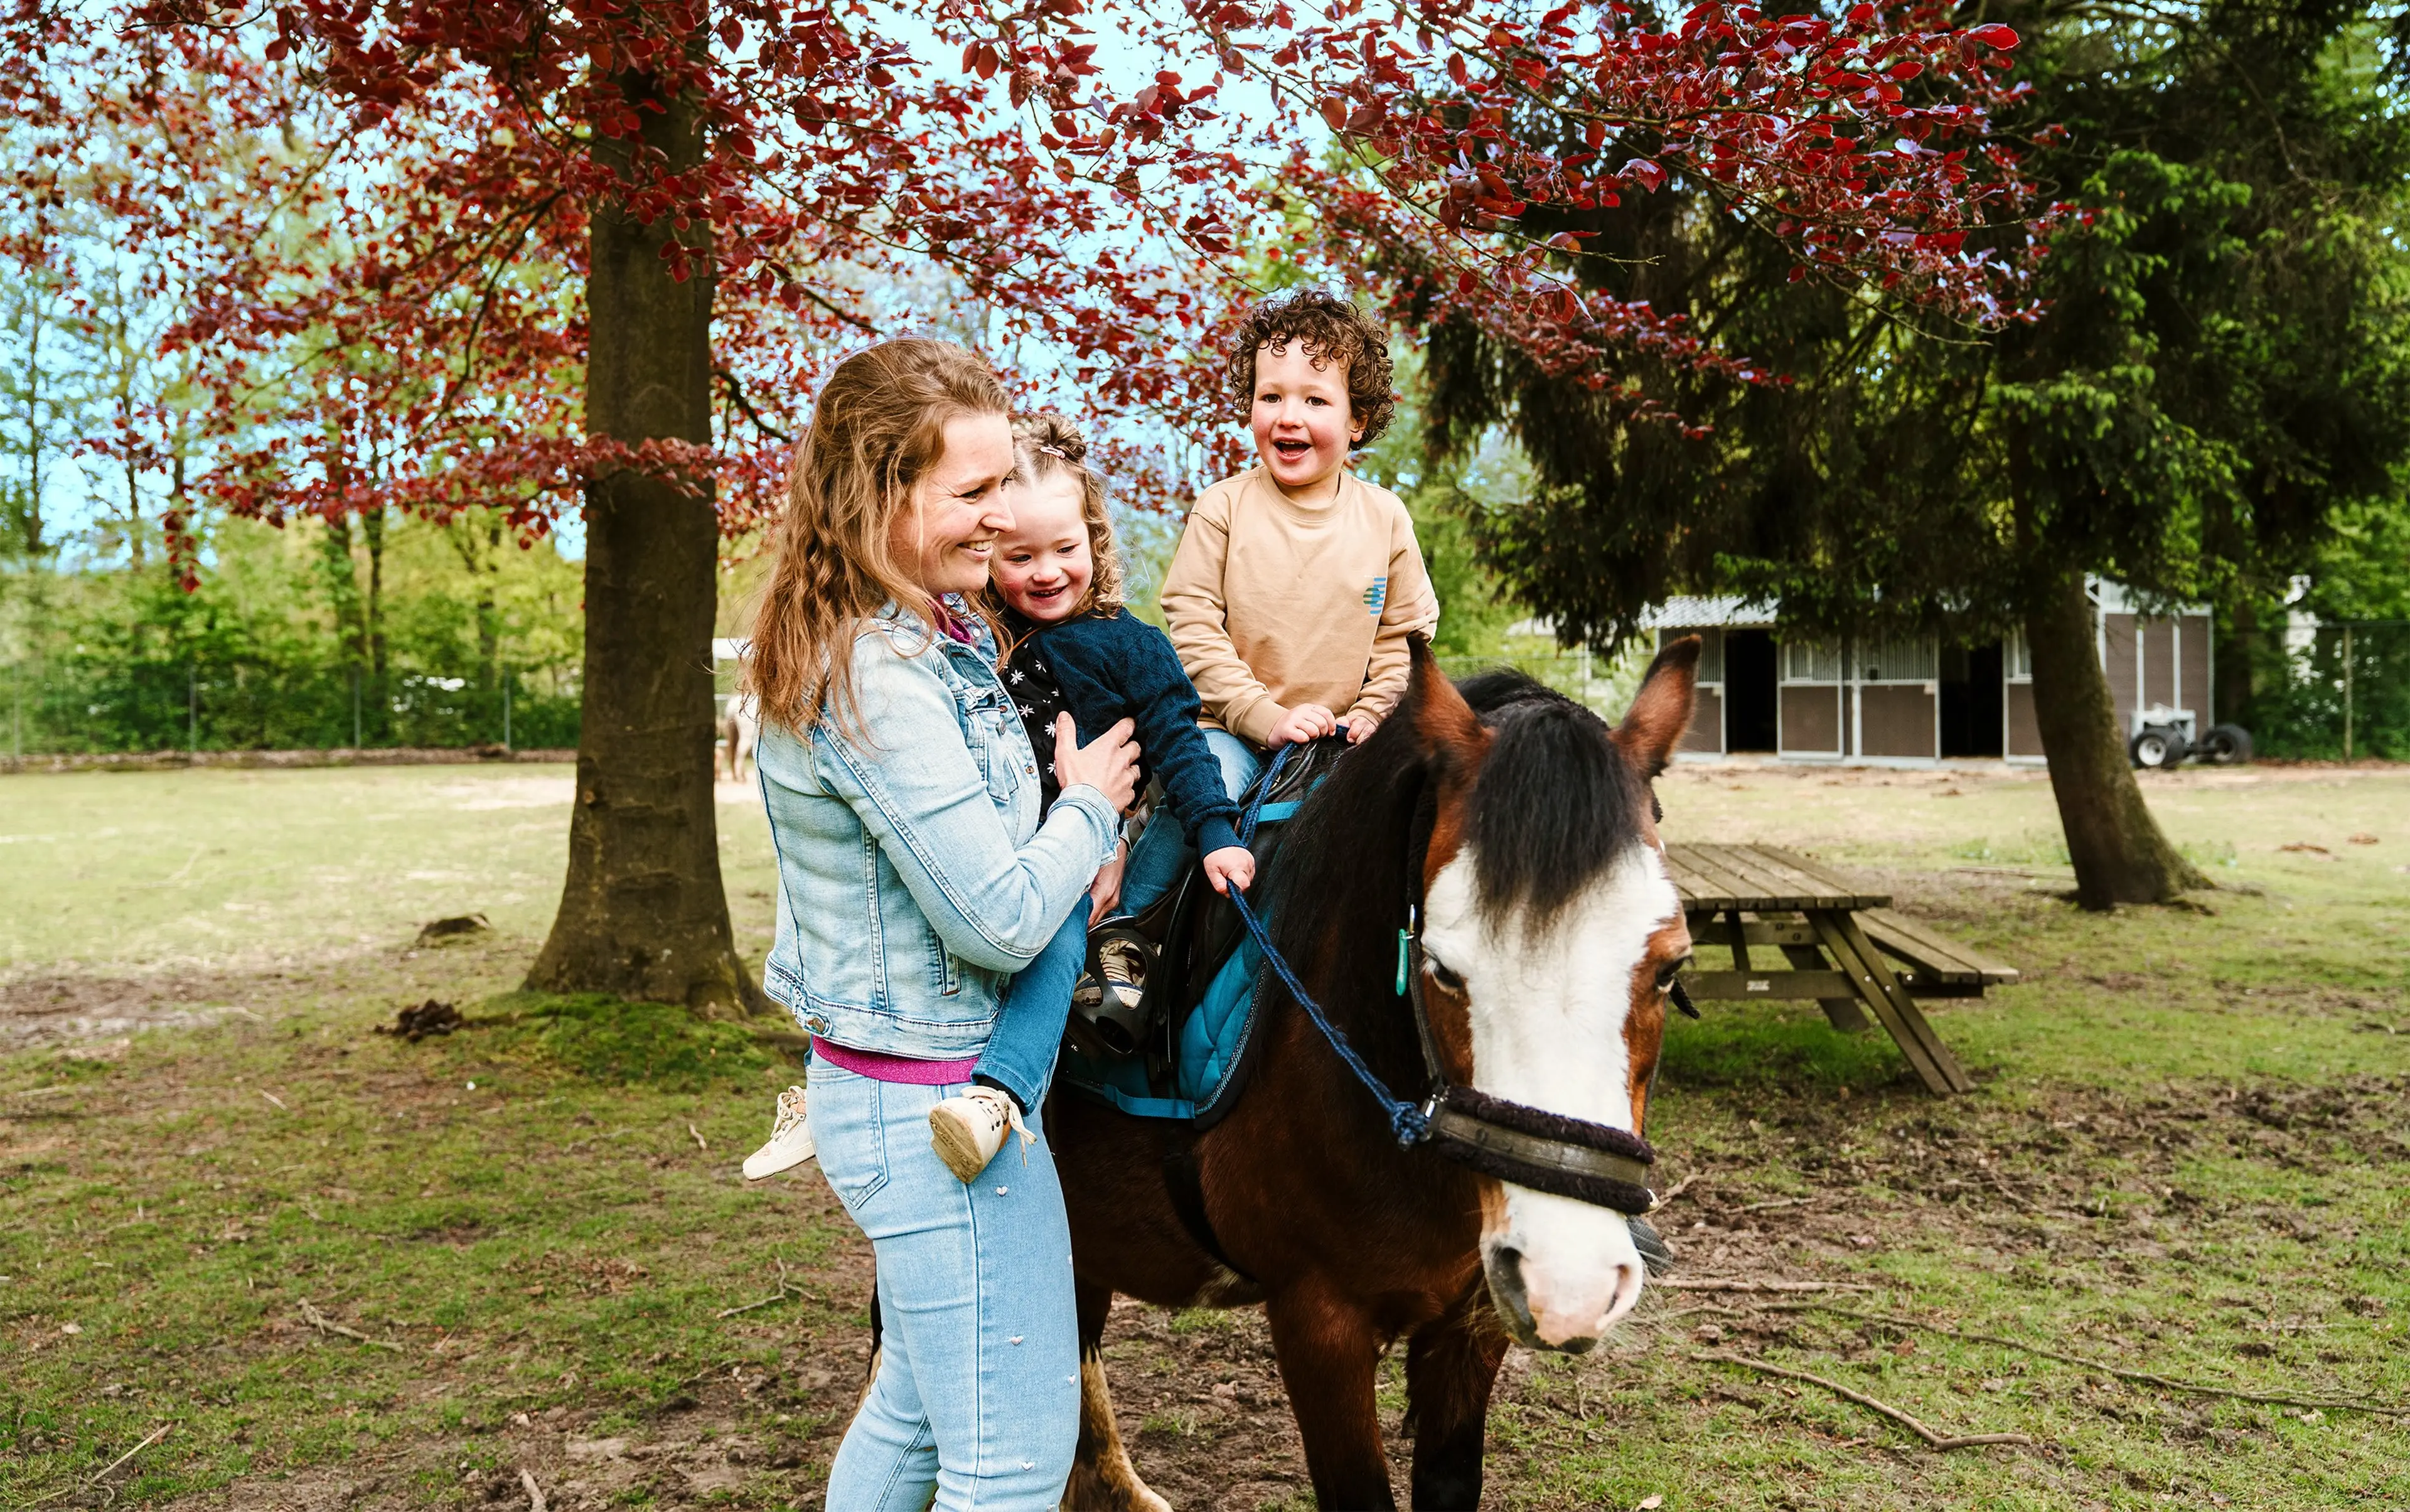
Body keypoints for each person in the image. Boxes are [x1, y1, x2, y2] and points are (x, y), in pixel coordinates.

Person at [741, 338, 1140, 1511]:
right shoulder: (876, 672)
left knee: (914, 1416)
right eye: (971, 492)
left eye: (1004, 481)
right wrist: (1088, 813)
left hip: (913, 1091)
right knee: (1009, 1464)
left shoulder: (928, 635)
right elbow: (1003, 919)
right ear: (879, 494)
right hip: (937, 1111)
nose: (1001, 515)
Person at [923, 413, 1256, 1183]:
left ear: (1094, 541)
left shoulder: (1129, 644)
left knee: (1061, 946)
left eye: (1065, 550)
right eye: (1020, 556)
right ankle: (842, 1066)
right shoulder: (978, 637)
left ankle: (999, 1094)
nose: (1045, 572)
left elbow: (1180, 739)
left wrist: (1213, 830)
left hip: (1067, 855)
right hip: (978, 841)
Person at [1142, 287, 1439, 876]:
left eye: (1315, 400)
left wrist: (1375, 713)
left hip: (1341, 740)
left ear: (1357, 420)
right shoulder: (1222, 508)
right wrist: (1263, 715)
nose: (1288, 416)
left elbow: (1404, 639)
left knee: (1412, 813)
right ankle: (1133, 929)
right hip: (1230, 728)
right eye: (1270, 395)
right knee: (1206, 789)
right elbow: (1194, 626)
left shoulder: (1384, 519)